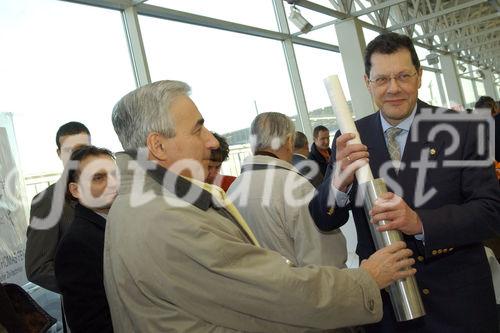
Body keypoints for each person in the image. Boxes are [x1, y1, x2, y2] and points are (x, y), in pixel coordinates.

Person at [104, 80, 416, 332]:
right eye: (198, 129)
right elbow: (277, 291)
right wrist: (367, 279)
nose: (212, 141)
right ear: (158, 145)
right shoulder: (167, 218)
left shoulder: (134, 205)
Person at [309, 32, 500, 332]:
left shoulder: (463, 129)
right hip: (386, 309)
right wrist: (338, 183)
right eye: (382, 79)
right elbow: (323, 217)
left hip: (458, 305)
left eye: (403, 76)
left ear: (420, 76)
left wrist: (419, 222)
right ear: (367, 82)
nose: (393, 88)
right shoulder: (350, 136)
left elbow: (491, 212)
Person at [228, 112, 347, 269]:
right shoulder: (295, 186)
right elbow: (324, 258)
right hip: (301, 288)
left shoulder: (233, 189)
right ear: (290, 141)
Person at [54, 146, 117, 333]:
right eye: (98, 177)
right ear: (76, 190)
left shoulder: (122, 222)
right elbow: (90, 324)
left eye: (115, 174)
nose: (113, 183)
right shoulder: (76, 245)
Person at [25, 121, 91, 292]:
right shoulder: (47, 201)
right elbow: (38, 268)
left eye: (83, 148)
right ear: (59, 153)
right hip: (85, 307)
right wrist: (89, 286)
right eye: (70, 150)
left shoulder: (105, 190)